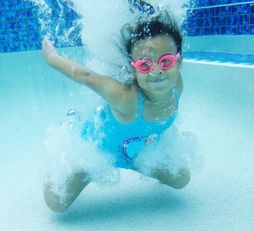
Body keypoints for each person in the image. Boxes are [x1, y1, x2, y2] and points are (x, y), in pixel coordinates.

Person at [41, 3, 190, 212]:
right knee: (56, 202)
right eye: (145, 65)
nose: (156, 71)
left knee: (181, 179)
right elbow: (87, 76)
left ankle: (135, 162)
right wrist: (52, 59)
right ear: (134, 68)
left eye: (165, 62)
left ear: (179, 62)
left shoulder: (177, 87)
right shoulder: (125, 97)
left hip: (137, 155)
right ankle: (66, 143)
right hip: (98, 152)